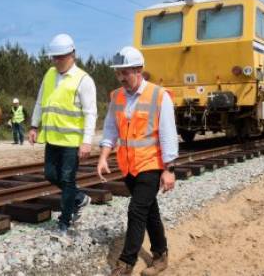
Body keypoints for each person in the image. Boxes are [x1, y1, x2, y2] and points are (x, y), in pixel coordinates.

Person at [96, 46, 178, 276]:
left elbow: (168, 134)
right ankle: (161, 255)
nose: (121, 77)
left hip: (151, 164)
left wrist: (169, 169)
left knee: (136, 211)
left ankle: (125, 263)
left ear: (139, 69)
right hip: (129, 166)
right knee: (149, 211)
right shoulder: (117, 96)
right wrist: (104, 156)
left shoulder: (159, 96)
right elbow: (111, 129)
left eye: (126, 72)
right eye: (118, 72)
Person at [28, 33, 97, 241]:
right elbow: (41, 102)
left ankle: (65, 222)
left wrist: (87, 141)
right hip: (51, 138)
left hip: (71, 142)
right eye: (54, 57)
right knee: (50, 175)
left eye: (60, 57)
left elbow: (90, 113)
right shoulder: (49, 74)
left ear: (72, 55)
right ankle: (80, 198)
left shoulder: (83, 80)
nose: (56, 61)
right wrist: (33, 125)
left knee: (67, 180)